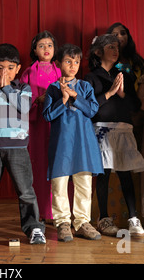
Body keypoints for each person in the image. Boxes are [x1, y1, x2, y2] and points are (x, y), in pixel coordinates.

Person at [0, 43, 46, 245]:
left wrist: (6, 88)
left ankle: (34, 228)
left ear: (18, 68)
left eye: (10, 68)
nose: (5, 72)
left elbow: (24, 107)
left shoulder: (23, 88)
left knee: (26, 191)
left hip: (18, 148)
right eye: (0, 68)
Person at [43, 44, 104, 242]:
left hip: (83, 142)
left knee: (84, 183)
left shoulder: (85, 87)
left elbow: (92, 110)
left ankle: (82, 222)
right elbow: (48, 115)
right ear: (59, 63)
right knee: (59, 184)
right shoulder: (52, 89)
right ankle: (62, 223)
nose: (73, 65)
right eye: (68, 61)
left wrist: (75, 96)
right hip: (62, 142)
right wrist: (63, 98)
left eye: (76, 62)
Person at [85, 34, 144, 236]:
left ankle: (133, 218)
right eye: (110, 47)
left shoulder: (125, 76)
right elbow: (90, 109)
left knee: (125, 174)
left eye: (117, 47)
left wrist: (122, 94)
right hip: (101, 129)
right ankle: (104, 218)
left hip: (123, 129)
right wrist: (109, 93)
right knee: (103, 174)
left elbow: (136, 106)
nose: (115, 50)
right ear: (98, 52)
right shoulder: (91, 77)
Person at [20, 31, 61, 221]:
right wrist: (38, 101)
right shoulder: (28, 73)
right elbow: (20, 100)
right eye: (41, 45)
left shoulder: (61, 71)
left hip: (57, 124)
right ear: (34, 50)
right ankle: (40, 212)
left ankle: (58, 212)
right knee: (38, 165)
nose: (46, 49)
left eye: (49, 45)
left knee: (58, 164)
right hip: (36, 124)